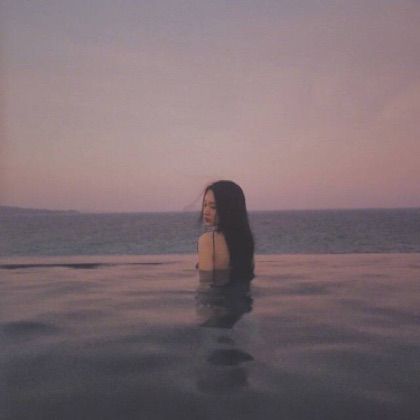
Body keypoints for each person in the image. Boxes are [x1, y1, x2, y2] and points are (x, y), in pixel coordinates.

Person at [196, 180, 255, 285]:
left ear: (229, 209)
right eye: (205, 205)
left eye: (213, 207)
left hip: (217, 294)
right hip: (243, 294)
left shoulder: (206, 241)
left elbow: (205, 284)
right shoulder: (246, 241)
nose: (206, 211)